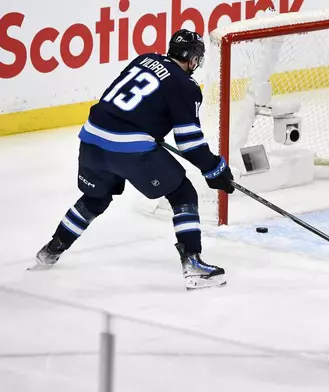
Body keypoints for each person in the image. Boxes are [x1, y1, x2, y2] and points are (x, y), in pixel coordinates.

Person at [34, 29, 234, 290]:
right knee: (183, 193)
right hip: (129, 148)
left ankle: (50, 251)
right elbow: (190, 143)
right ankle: (193, 264)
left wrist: (149, 123)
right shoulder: (186, 86)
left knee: (95, 198)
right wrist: (215, 170)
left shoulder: (143, 59)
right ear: (193, 58)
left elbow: (124, 103)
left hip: (91, 139)